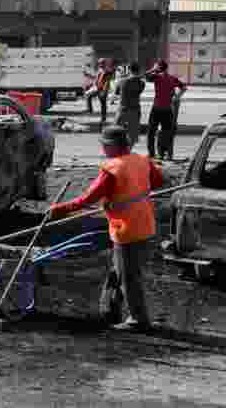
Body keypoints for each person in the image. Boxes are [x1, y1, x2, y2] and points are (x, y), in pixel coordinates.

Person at [49, 125, 162, 332]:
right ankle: (110, 310)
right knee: (122, 271)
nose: (102, 149)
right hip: (146, 224)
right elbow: (157, 181)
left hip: (127, 229)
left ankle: (139, 320)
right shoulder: (142, 161)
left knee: (129, 277)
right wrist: (127, 196)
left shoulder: (113, 169)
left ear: (110, 146)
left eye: (103, 145)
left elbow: (88, 198)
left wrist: (60, 209)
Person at [145, 60, 187, 160]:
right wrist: (177, 96)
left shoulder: (157, 77)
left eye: (156, 67)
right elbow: (184, 87)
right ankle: (162, 154)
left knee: (151, 131)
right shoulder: (172, 78)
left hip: (157, 108)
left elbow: (145, 76)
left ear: (159, 68)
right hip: (168, 109)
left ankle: (151, 153)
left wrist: (153, 69)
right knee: (165, 132)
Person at [114, 62, 146, 147]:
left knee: (115, 132)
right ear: (138, 70)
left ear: (129, 70)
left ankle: (117, 151)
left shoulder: (121, 81)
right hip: (135, 110)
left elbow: (116, 93)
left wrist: (122, 77)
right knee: (132, 134)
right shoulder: (142, 83)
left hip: (123, 110)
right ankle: (128, 152)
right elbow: (139, 91)